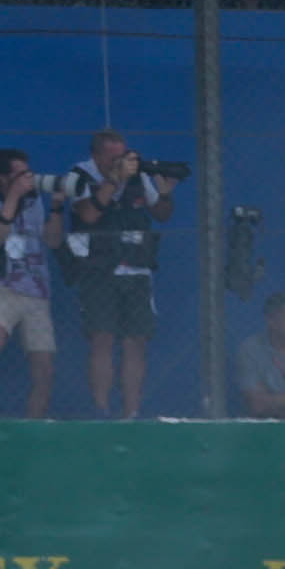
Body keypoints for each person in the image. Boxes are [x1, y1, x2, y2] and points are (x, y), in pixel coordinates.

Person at [64, 130, 176, 421]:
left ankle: (132, 412)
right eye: (114, 157)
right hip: (99, 269)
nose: (122, 161)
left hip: (137, 266)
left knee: (135, 341)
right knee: (103, 338)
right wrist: (114, 179)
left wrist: (165, 191)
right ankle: (101, 409)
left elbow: (162, 213)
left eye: (124, 155)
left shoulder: (139, 176)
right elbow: (88, 214)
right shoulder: (78, 175)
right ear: (97, 155)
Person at [0, 148, 59, 419]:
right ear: (3, 178)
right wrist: (14, 196)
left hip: (37, 289)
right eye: (19, 175)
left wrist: (56, 206)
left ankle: (35, 423)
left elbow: (53, 241)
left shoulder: (36, 201)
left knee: (44, 366)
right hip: (3, 285)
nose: (27, 179)